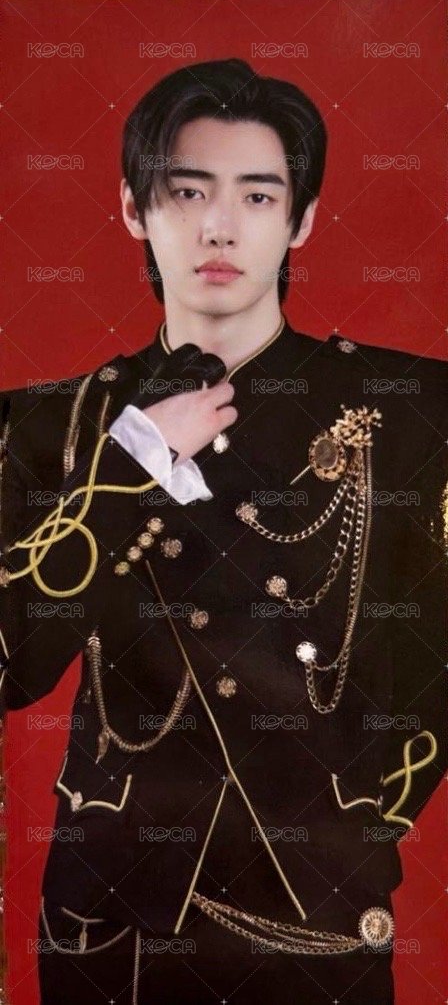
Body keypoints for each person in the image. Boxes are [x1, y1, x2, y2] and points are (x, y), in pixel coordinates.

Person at [0, 58, 446, 1005]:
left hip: (316, 915)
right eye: (188, 191)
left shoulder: (412, 407)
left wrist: (363, 822)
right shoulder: (53, 421)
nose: (220, 226)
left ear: (301, 220)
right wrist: (132, 461)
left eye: (258, 194)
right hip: (109, 925)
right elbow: (11, 661)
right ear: (135, 208)